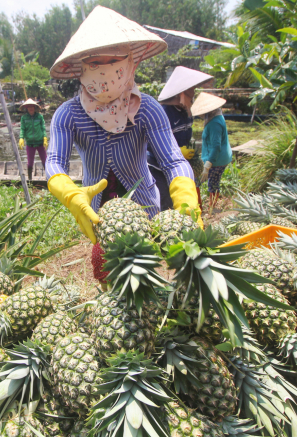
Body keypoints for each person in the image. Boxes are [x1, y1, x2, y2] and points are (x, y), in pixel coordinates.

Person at [45, 6, 203, 283]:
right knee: (105, 271)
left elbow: (173, 160)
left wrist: (186, 195)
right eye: (95, 63)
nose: (105, 72)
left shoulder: (147, 109)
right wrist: (69, 193)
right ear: (81, 69)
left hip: (145, 204)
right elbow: (54, 161)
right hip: (95, 209)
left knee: (145, 274)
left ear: (131, 63)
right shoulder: (68, 115)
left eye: (114, 61)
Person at [148, 66, 213, 211]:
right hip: (157, 166)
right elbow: (149, 143)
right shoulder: (163, 112)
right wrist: (177, 151)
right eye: (192, 91)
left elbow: (186, 136)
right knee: (164, 200)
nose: (194, 95)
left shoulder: (186, 111)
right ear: (182, 93)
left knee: (183, 199)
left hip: (177, 163)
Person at [192, 92, 232, 212]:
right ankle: (201, 206)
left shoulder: (215, 123)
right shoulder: (214, 118)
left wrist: (208, 165)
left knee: (211, 183)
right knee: (198, 181)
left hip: (217, 159)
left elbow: (216, 146)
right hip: (213, 157)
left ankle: (211, 209)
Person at [18, 99, 48, 181]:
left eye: (32, 107)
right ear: (26, 108)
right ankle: (30, 180)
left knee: (45, 160)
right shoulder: (24, 118)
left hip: (40, 143)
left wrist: (45, 137)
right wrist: (21, 138)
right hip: (30, 143)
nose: (31, 109)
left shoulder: (39, 117)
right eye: (29, 107)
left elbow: (43, 128)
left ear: (35, 108)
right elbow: (22, 129)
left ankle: (48, 178)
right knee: (30, 162)